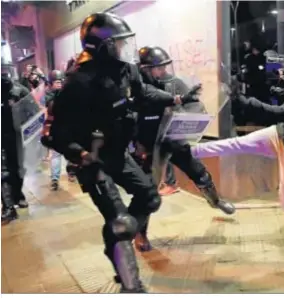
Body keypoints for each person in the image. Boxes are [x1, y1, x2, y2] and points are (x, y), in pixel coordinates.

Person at [44, 12, 180, 293]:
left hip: (119, 154)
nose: (124, 49)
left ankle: (121, 239)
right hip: (93, 160)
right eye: (118, 43)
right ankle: (130, 283)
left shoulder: (126, 70)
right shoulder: (78, 82)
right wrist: (80, 156)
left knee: (150, 198)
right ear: (102, 46)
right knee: (120, 223)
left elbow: (144, 94)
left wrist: (175, 98)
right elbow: (53, 133)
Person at [191, 48, 284, 250]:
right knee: (236, 144)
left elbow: (278, 113)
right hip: (283, 135)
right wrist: (281, 90)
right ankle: (189, 151)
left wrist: (243, 101)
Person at [132, 46, 235, 250]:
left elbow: (191, 106)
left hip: (175, 138)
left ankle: (215, 200)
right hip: (150, 144)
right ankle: (140, 234)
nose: (163, 71)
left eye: (164, 66)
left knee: (199, 172)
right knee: (147, 192)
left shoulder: (174, 83)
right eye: (157, 68)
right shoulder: (139, 88)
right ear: (145, 69)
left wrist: (196, 111)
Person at [2, 57, 30, 223]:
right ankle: (7, 205)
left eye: (4, 70)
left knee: (18, 169)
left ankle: (18, 194)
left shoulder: (20, 91)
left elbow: (32, 111)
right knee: (2, 171)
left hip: (16, 136)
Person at [44, 70, 76, 190]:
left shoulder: (66, 93)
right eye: (57, 82)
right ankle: (55, 179)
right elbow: (51, 109)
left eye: (61, 81)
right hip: (54, 127)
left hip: (68, 127)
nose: (59, 84)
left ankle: (71, 172)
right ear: (51, 83)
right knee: (56, 154)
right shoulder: (49, 95)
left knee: (70, 151)